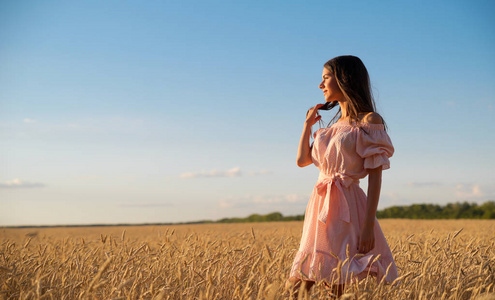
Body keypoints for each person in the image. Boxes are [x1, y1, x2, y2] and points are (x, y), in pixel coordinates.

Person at [287, 55, 398, 297]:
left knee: (337, 282)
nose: (320, 85)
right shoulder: (329, 128)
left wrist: (368, 225)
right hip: (320, 205)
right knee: (298, 284)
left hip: (348, 207)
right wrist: (307, 126)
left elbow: (375, 177)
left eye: (325, 78)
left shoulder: (369, 122)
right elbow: (302, 161)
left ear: (344, 79)